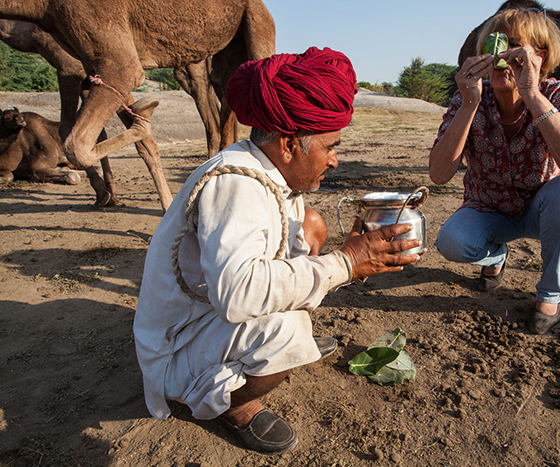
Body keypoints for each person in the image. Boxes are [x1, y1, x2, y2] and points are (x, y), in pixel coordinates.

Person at [133, 47, 421, 455]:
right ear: (288, 144)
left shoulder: (271, 175)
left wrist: (349, 257)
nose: (335, 160)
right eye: (330, 147)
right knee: (287, 336)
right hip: (178, 346)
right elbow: (238, 294)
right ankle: (231, 404)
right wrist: (347, 263)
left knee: (312, 224)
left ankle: (255, 351)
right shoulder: (236, 185)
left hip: (207, 316)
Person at [429, 9, 560, 335]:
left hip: (544, 209)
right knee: (453, 242)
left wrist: (533, 95)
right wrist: (468, 104)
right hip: (489, 207)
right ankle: (495, 258)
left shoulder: (559, 94)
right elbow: (438, 174)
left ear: (541, 56)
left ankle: (550, 293)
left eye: (514, 47)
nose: (500, 56)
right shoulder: (469, 97)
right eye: (495, 46)